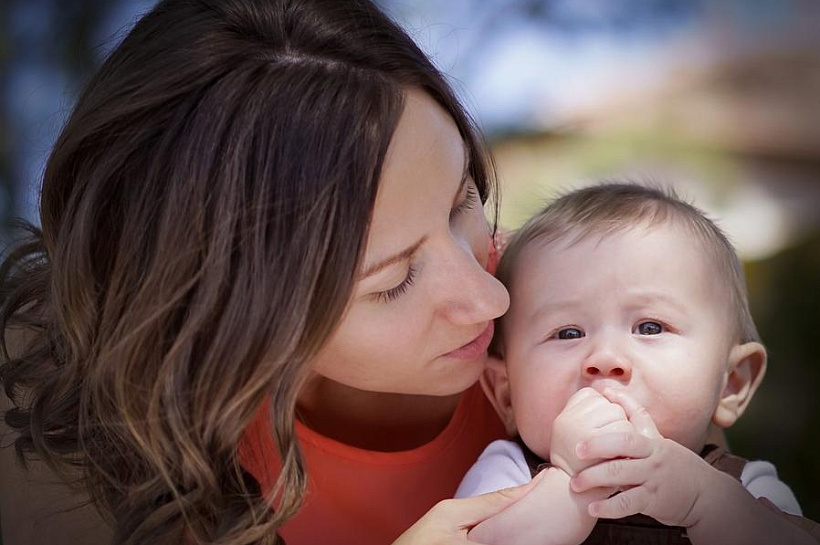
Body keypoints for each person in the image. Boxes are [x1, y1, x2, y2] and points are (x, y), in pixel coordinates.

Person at [0, 0, 534, 543]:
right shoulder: (75, 440)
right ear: (227, 309)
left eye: (461, 201)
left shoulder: (580, 313)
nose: (490, 297)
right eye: (392, 282)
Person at [456, 183, 820, 544]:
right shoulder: (508, 474)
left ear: (731, 384)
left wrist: (705, 504)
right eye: (568, 333)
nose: (605, 359)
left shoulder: (747, 487)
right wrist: (569, 485)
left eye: (649, 327)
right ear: (506, 394)